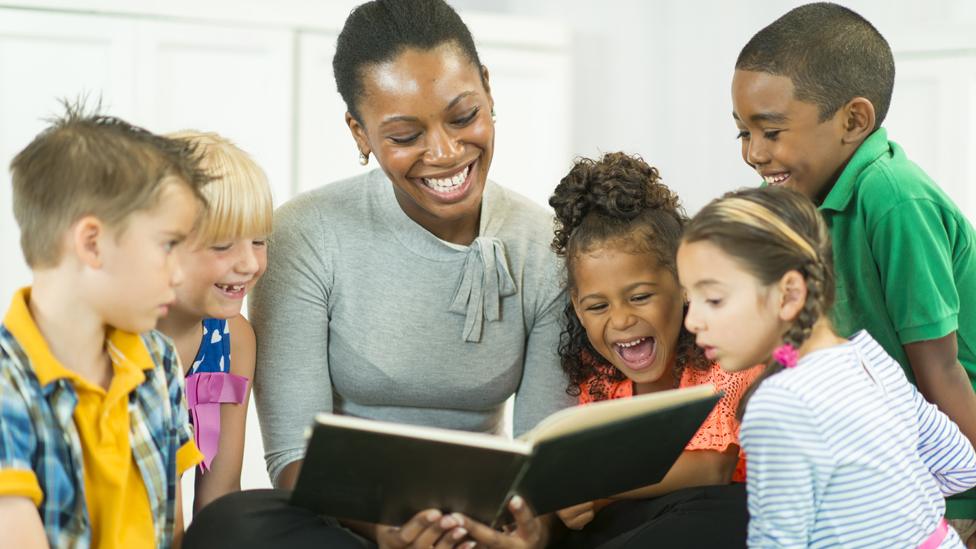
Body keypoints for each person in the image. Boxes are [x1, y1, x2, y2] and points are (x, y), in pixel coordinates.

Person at [184, 1, 572, 547]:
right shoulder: (303, 232)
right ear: (360, 132)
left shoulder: (547, 245)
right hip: (346, 520)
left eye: (463, 117)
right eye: (405, 135)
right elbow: (294, 454)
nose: (445, 152)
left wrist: (528, 532)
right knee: (233, 524)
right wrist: (382, 531)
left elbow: (542, 453)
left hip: (485, 521)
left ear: (487, 88)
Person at [730, 3, 976, 535]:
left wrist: (963, 509)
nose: (753, 153)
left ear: (854, 121)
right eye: (742, 134)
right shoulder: (808, 202)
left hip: (948, 458)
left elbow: (942, 371)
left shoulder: (894, 198)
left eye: (771, 132)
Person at [677, 186, 976, 548]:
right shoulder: (868, 357)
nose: (692, 321)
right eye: (689, 300)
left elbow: (777, 543)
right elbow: (961, 464)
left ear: (789, 294)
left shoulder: (777, 404)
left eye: (713, 299)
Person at [0, 104, 208, 548]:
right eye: (168, 245)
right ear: (92, 243)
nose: (178, 274)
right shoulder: (6, 386)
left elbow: (171, 531)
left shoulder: (157, 359)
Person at [542, 152, 756, 548]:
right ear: (576, 307)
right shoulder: (599, 379)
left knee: (733, 511)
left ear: (684, 283)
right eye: (598, 306)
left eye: (639, 297)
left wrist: (602, 486)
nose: (621, 320)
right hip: (638, 525)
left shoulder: (726, 354)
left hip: (714, 516)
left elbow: (714, 467)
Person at [156, 131, 272, 513]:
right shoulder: (121, 338)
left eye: (259, 241)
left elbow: (218, 499)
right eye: (223, 245)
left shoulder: (234, 340)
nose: (250, 264)